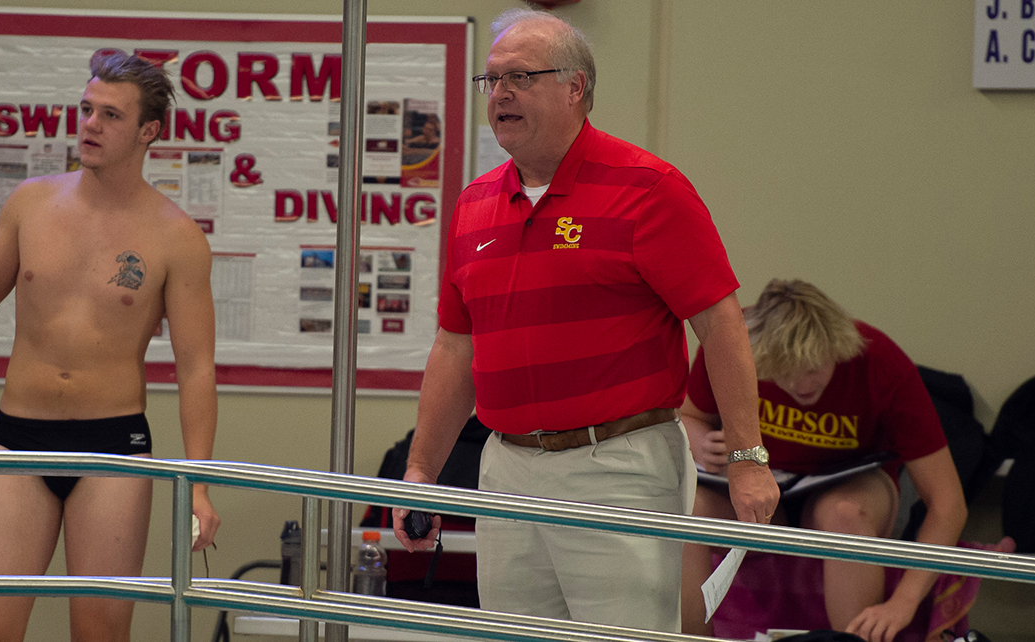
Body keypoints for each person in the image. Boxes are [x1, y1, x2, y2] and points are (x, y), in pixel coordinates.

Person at [392, 8, 778, 633]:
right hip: (508, 467)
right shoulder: (474, 204)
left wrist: (746, 456)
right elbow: (455, 348)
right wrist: (421, 473)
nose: (501, 94)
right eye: (492, 81)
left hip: (617, 465)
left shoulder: (649, 189)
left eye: (521, 76)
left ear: (576, 88)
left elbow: (722, 324)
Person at [0, 53, 219, 642]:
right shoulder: (31, 204)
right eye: (87, 109)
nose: (90, 125)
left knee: (99, 631)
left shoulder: (176, 235)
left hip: (112, 446)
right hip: (18, 438)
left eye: (111, 115)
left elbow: (195, 369)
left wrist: (198, 482)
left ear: (149, 131)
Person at [680, 279, 967, 642]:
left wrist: (903, 602)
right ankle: (690, 637)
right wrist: (700, 438)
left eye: (813, 368)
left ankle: (852, 638)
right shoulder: (732, 344)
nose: (801, 385)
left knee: (844, 512)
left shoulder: (880, 362)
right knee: (689, 508)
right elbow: (689, 417)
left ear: (837, 347)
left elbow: (948, 503)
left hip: (850, 486)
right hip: (765, 492)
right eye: (783, 372)